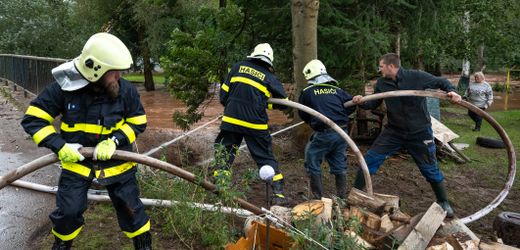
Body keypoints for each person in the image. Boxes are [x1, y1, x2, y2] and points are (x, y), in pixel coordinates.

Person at [21, 33, 152, 250]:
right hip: (77, 164)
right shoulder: (64, 89)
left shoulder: (126, 90)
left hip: (117, 165)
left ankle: (144, 246)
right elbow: (33, 119)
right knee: (68, 213)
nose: (119, 76)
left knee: (133, 211)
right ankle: (61, 245)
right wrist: (59, 145)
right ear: (96, 70)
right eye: (114, 72)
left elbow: (138, 122)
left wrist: (116, 141)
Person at [351, 53, 462, 217]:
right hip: (394, 131)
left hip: (420, 132)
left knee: (429, 168)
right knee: (369, 160)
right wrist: (362, 101)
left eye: (381, 66)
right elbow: (373, 103)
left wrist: (452, 91)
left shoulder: (416, 77)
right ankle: (355, 195)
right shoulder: (382, 83)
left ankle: (443, 201)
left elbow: (442, 82)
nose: (379, 69)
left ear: (391, 66)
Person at [213, 43, 288, 204]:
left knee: (225, 152)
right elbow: (284, 102)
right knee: (264, 156)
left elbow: (223, 97)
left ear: (253, 54)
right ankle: (278, 194)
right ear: (269, 61)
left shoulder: (238, 67)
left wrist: (236, 107)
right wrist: (263, 103)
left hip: (231, 120)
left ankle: (221, 187)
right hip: (255, 124)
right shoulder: (269, 76)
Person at [298, 59, 356, 199]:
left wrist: (312, 122)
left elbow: (303, 113)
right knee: (338, 161)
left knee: (312, 157)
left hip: (325, 132)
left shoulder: (308, 92)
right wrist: (339, 115)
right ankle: (342, 198)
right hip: (342, 132)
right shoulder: (337, 90)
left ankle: (317, 198)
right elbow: (351, 105)